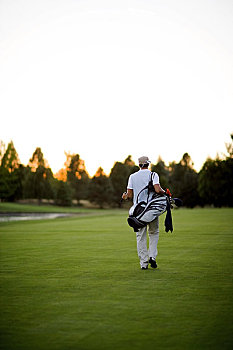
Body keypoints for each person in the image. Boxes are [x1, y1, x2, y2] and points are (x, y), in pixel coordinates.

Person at [122, 156, 169, 270]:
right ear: (148, 164)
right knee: (153, 233)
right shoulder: (153, 175)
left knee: (140, 237)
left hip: (138, 212)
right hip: (151, 210)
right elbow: (158, 190)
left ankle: (144, 263)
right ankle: (152, 256)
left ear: (139, 165)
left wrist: (124, 196)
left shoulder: (132, 176)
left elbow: (129, 195)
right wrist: (165, 192)